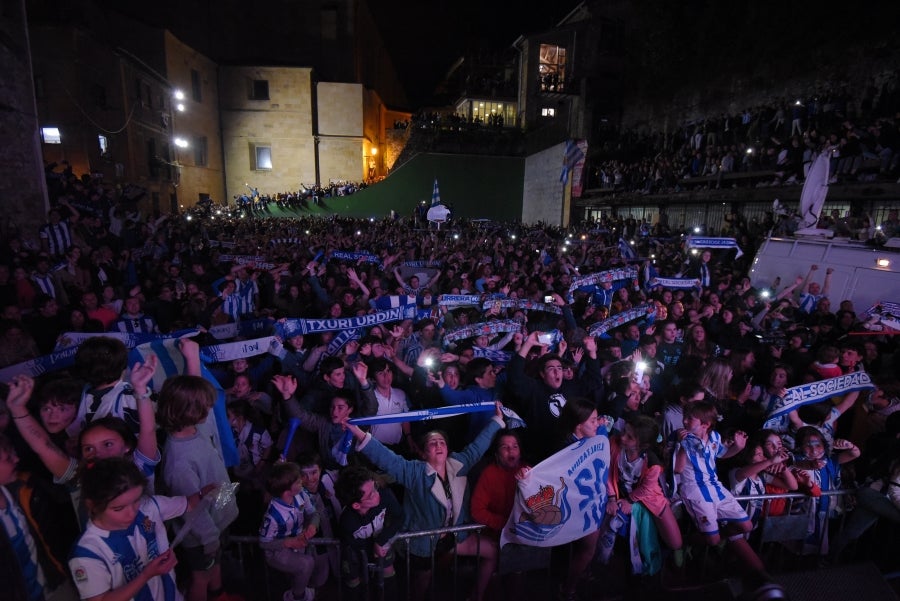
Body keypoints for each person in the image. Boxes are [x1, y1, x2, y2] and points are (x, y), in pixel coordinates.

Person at [345, 402, 505, 601]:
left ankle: (476, 597)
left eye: (442, 442)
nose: (438, 445)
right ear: (423, 453)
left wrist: (497, 420)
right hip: (423, 544)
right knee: (422, 583)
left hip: (453, 537)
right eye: (432, 443)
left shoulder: (460, 463)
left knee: (491, 551)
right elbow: (387, 459)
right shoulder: (415, 472)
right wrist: (358, 432)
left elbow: (478, 446)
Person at [157, 375, 240, 601]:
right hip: (202, 535)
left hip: (216, 522)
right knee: (201, 577)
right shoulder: (179, 462)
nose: (210, 407)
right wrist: (209, 537)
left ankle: (218, 594)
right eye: (205, 404)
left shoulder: (195, 430)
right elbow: (192, 510)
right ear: (188, 410)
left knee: (214, 565)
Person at [68, 457, 195, 601]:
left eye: (136, 500)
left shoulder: (149, 508)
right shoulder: (87, 553)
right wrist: (146, 575)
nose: (132, 513)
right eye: (118, 508)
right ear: (92, 506)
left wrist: (216, 492)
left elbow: (192, 503)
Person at [673, 401, 768, 579]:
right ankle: (683, 543)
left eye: (690, 418)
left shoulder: (715, 437)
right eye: (685, 417)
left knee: (745, 525)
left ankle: (702, 539)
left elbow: (722, 454)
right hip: (695, 491)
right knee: (713, 540)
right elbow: (678, 469)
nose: (684, 421)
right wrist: (682, 447)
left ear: (705, 424)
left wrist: (737, 447)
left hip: (716, 487)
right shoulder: (682, 438)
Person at [334, 465, 403, 601]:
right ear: (356, 505)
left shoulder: (384, 495)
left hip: (380, 540)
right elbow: (350, 544)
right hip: (353, 551)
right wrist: (373, 546)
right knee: (354, 581)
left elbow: (400, 516)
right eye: (371, 494)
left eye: (375, 486)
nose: (377, 493)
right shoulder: (347, 521)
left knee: (388, 572)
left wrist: (380, 541)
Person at [258, 462, 321, 601]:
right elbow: (264, 543)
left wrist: (313, 525)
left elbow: (314, 513)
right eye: (298, 481)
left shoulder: (301, 494)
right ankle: (297, 596)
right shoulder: (272, 515)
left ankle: (296, 588)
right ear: (287, 491)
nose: (302, 482)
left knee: (305, 570)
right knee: (307, 564)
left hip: (298, 544)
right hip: (277, 551)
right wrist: (288, 543)